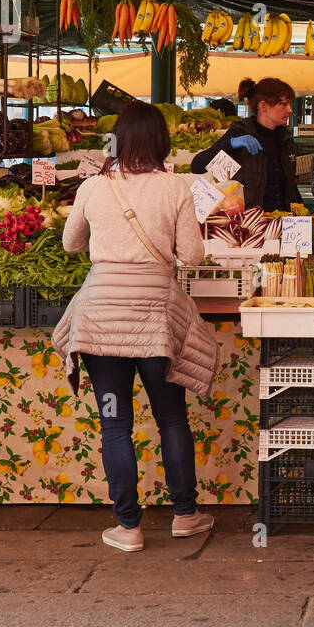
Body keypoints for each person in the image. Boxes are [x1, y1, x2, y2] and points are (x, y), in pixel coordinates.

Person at [54, 102, 215, 553]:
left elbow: (70, 244)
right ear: (162, 143)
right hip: (154, 320)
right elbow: (194, 256)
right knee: (171, 417)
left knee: (114, 423)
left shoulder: (93, 187)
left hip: (101, 319)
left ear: (118, 142)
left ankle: (128, 528)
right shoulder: (176, 187)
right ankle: (185, 515)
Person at [191, 78, 301, 212]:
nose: (290, 110)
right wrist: (231, 144)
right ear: (263, 106)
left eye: (290, 104)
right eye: (283, 104)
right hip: (251, 223)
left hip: (285, 222)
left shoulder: (285, 138)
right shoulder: (239, 133)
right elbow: (197, 166)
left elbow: (290, 186)